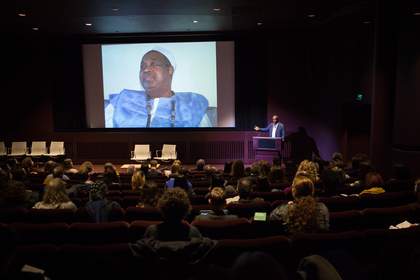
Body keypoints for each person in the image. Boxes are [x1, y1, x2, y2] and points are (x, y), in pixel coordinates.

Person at [105, 48, 211, 128]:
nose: (146, 69)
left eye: (154, 64)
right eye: (142, 66)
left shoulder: (192, 106)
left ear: (169, 70)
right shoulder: (122, 101)